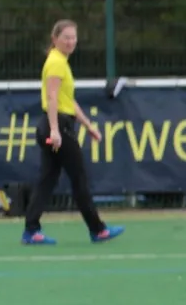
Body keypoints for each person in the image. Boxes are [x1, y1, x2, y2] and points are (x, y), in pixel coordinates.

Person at [21, 20, 124, 246]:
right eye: (66, 37)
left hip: (55, 124)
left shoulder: (61, 62)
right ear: (55, 38)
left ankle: (30, 230)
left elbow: (68, 101)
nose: (70, 42)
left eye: (73, 37)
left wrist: (88, 126)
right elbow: (52, 99)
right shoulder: (56, 63)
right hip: (56, 126)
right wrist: (56, 130)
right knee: (79, 178)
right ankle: (98, 230)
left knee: (47, 180)